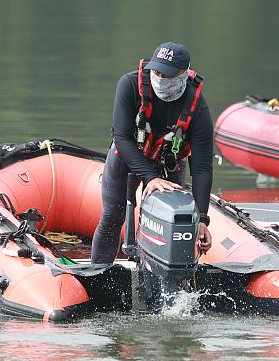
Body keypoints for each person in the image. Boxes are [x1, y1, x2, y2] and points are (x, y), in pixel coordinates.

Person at [91, 42, 214, 264]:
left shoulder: (199, 110)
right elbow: (121, 137)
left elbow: (202, 168)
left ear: (183, 75)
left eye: (167, 74)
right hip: (126, 156)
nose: (160, 78)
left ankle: (155, 277)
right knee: (111, 217)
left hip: (169, 163)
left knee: (171, 219)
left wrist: (202, 219)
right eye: (156, 72)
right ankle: (98, 274)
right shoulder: (129, 85)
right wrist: (150, 177)